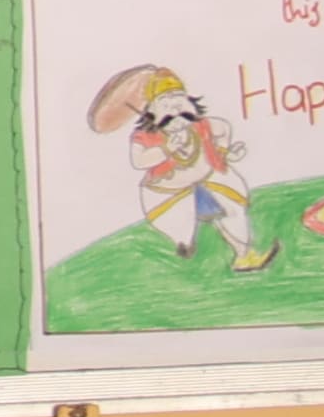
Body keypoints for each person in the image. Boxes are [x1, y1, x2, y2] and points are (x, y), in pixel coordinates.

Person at [93, 62, 276, 272]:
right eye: (165, 102)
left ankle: (244, 256)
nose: (174, 108)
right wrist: (167, 149)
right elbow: (139, 161)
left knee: (231, 212)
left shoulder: (201, 126)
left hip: (209, 182)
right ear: (152, 111)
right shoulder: (146, 137)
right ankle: (183, 242)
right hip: (170, 192)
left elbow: (223, 129)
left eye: (178, 99)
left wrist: (225, 152)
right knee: (180, 224)